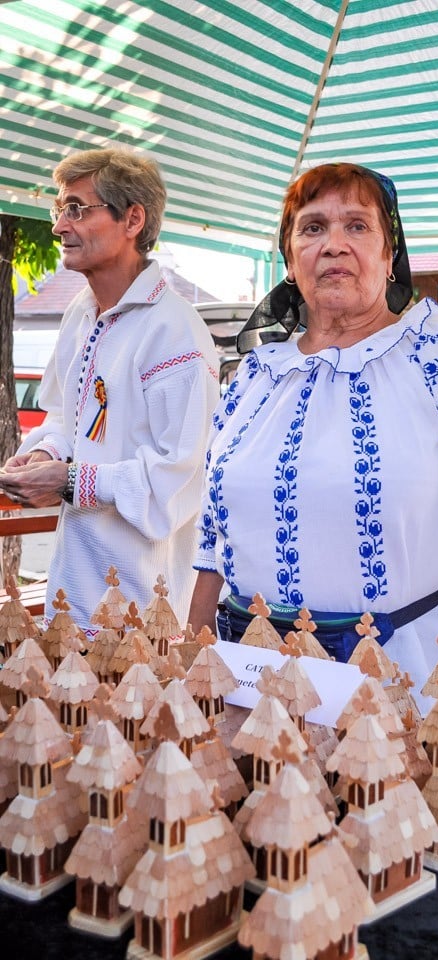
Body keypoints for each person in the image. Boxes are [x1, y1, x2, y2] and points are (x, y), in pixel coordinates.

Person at [188, 162, 438, 724]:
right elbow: (212, 538)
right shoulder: (254, 378)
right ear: (289, 258)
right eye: (312, 228)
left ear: (389, 253)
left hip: (397, 689)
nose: (333, 245)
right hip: (246, 682)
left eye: (357, 226)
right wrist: (195, 665)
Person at [0, 148, 219, 632]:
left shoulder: (174, 331)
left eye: (77, 208)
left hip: (142, 609)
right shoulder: (80, 312)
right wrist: (45, 455)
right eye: (61, 210)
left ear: (133, 219)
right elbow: (63, 417)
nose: (60, 226)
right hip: (71, 589)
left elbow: (179, 478)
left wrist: (70, 480)